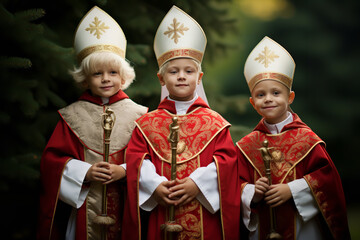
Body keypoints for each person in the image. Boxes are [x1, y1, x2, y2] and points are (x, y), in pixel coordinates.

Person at [122, 5, 240, 240]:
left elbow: (227, 161)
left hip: (204, 217)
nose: (182, 76)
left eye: (189, 70)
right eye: (174, 71)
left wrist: (197, 184)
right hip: (162, 212)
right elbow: (136, 158)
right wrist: (155, 185)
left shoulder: (215, 123)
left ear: (199, 78)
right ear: (161, 78)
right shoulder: (147, 124)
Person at [37, 6, 147, 240]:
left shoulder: (141, 115)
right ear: (85, 79)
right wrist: (85, 171)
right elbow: (52, 162)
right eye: (97, 74)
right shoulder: (72, 116)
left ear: (124, 76)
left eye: (112, 72)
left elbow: (151, 161)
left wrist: (124, 171)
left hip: (128, 209)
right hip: (84, 210)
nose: (105, 79)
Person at [236, 36, 351, 240]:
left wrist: (292, 189)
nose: (268, 99)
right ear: (253, 102)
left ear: (290, 97)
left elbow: (327, 182)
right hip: (261, 227)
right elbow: (235, 184)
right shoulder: (246, 146)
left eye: (276, 92)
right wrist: (252, 192)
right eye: (261, 95)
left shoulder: (308, 140)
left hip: (303, 228)